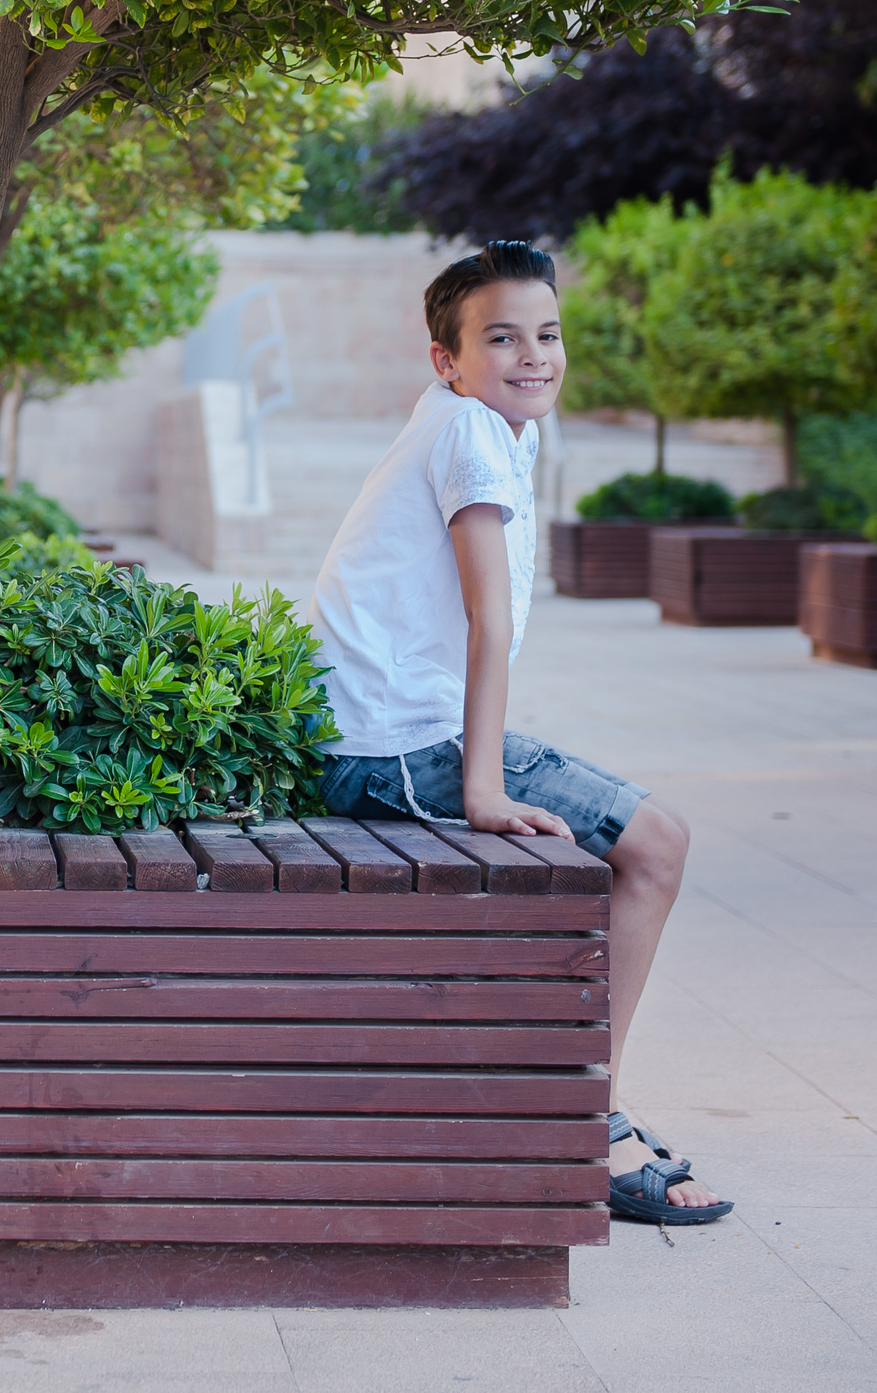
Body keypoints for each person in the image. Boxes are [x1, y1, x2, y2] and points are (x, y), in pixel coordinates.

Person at [306, 240, 732, 1228]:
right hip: (394, 749)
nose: (532, 354)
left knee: (650, 839)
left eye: (546, 333)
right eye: (499, 337)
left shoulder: (475, 422)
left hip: (401, 731)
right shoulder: (466, 433)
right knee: (656, 845)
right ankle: (590, 1111)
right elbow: (488, 618)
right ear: (444, 358)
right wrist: (484, 786)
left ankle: (589, 1096)